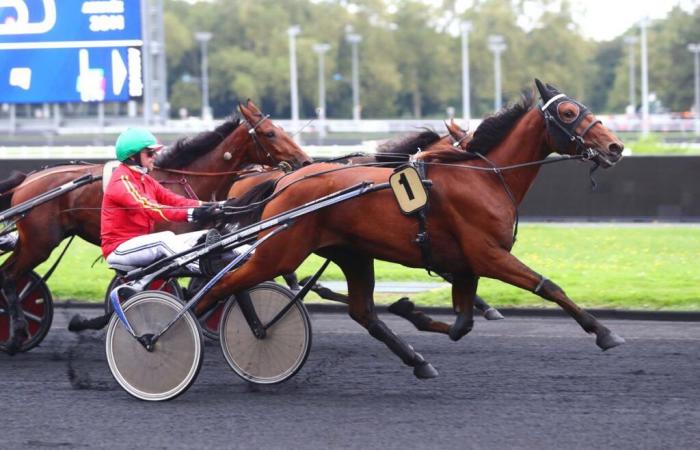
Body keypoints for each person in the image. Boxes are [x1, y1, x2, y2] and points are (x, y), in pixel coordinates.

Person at [101, 128, 222, 273]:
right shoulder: (122, 181)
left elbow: (175, 200)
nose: (155, 157)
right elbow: (152, 208)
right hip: (118, 248)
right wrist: (193, 214)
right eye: (150, 153)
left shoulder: (146, 179)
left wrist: (213, 206)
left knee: (203, 235)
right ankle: (208, 271)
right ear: (133, 157)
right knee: (165, 239)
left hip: (139, 244)